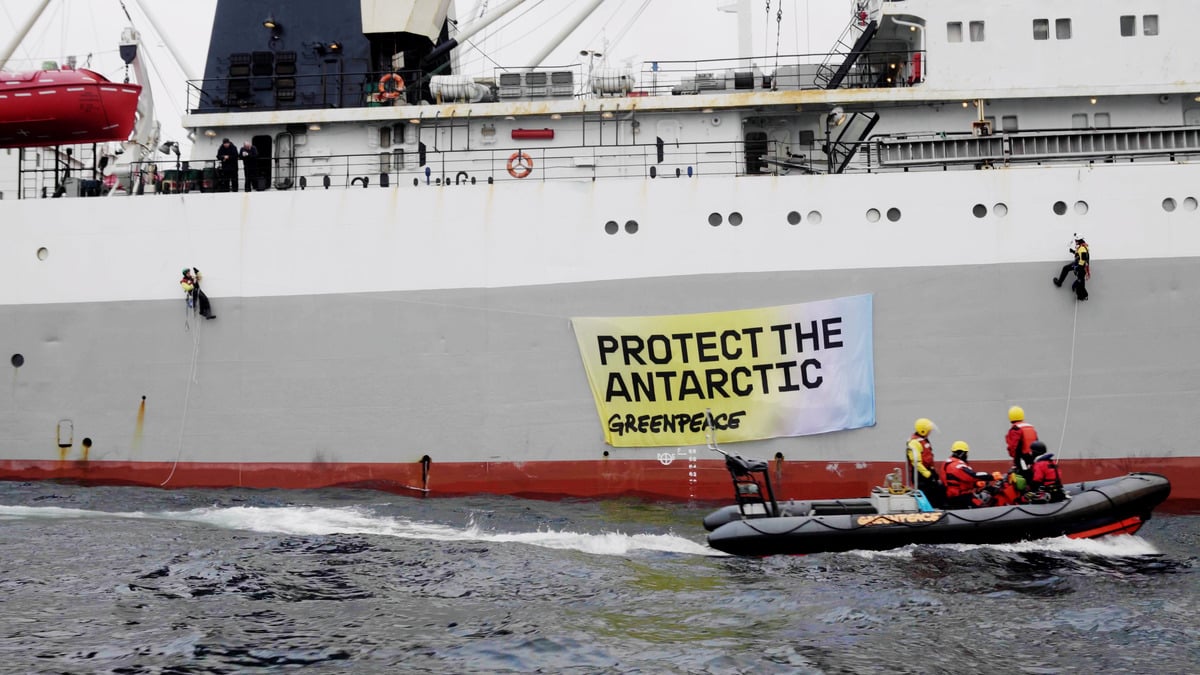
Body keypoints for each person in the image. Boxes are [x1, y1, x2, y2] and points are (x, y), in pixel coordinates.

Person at [906, 417, 945, 507]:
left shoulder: (923, 440)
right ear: (923, 430)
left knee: (939, 489)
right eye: (928, 430)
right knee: (930, 493)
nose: (930, 432)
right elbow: (916, 462)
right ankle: (930, 511)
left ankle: (939, 507)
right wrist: (927, 474)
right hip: (920, 475)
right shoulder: (915, 443)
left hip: (927, 471)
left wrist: (933, 473)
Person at [941, 441, 991, 509]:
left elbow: (960, 481)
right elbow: (973, 476)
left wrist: (975, 484)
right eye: (966, 453)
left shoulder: (949, 462)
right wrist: (991, 476)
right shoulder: (957, 466)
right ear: (963, 453)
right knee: (980, 506)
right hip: (960, 496)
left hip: (955, 494)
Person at [1004, 405, 1038, 479]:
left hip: (1022, 458)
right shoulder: (1030, 427)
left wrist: (1015, 458)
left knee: (1023, 478)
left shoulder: (1015, 429)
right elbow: (1037, 441)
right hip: (1033, 457)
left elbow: (1013, 446)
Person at [1053, 236, 1090, 300]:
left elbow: (1083, 259)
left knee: (1067, 269)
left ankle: (1059, 283)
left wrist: (1078, 268)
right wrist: (1073, 251)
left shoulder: (1082, 249)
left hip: (1080, 265)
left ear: (1079, 240)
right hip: (1081, 265)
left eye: (1076, 240)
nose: (1075, 241)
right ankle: (1081, 295)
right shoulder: (1083, 246)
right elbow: (1079, 254)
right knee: (1080, 279)